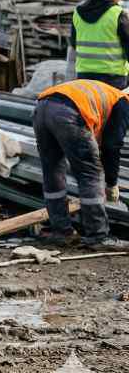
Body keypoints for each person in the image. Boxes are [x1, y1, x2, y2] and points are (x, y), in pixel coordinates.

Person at [33, 79, 128, 248]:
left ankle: (61, 231)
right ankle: (98, 236)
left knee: (53, 170)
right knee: (90, 172)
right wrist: (112, 183)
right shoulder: (122, 103)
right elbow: (111, 146)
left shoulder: (107, 94)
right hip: (69, 112)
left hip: (42, 107)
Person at [70, 0, 129, 88]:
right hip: (113, 79)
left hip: (84, 76)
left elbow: (73, 43)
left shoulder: (78, 12)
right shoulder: (117, 14)